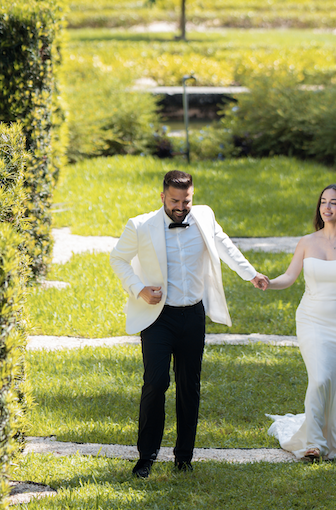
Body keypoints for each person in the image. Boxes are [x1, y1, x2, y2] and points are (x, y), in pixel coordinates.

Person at [110, 168, 269, 478]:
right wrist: (138, 288)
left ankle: (184, 457)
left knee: (189, 386)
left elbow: (225, 246)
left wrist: (252, 274)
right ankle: (146, 457)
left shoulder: (204, 217)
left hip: (192, 315)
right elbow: (118, 258)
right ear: (162, 196)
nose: (181, 208)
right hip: (158, 317)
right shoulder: (140, 226)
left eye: (186, 201)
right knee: (156, 383)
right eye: (174, 201)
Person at [265, 182, 336, 463]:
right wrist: (268, 282)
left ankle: (333, 436)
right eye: (323, 201)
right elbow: (289, 278)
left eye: (333, 202)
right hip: (311, 319)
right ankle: (312, 442)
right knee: (321, 377)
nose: (326, 207)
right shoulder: (307, 242)